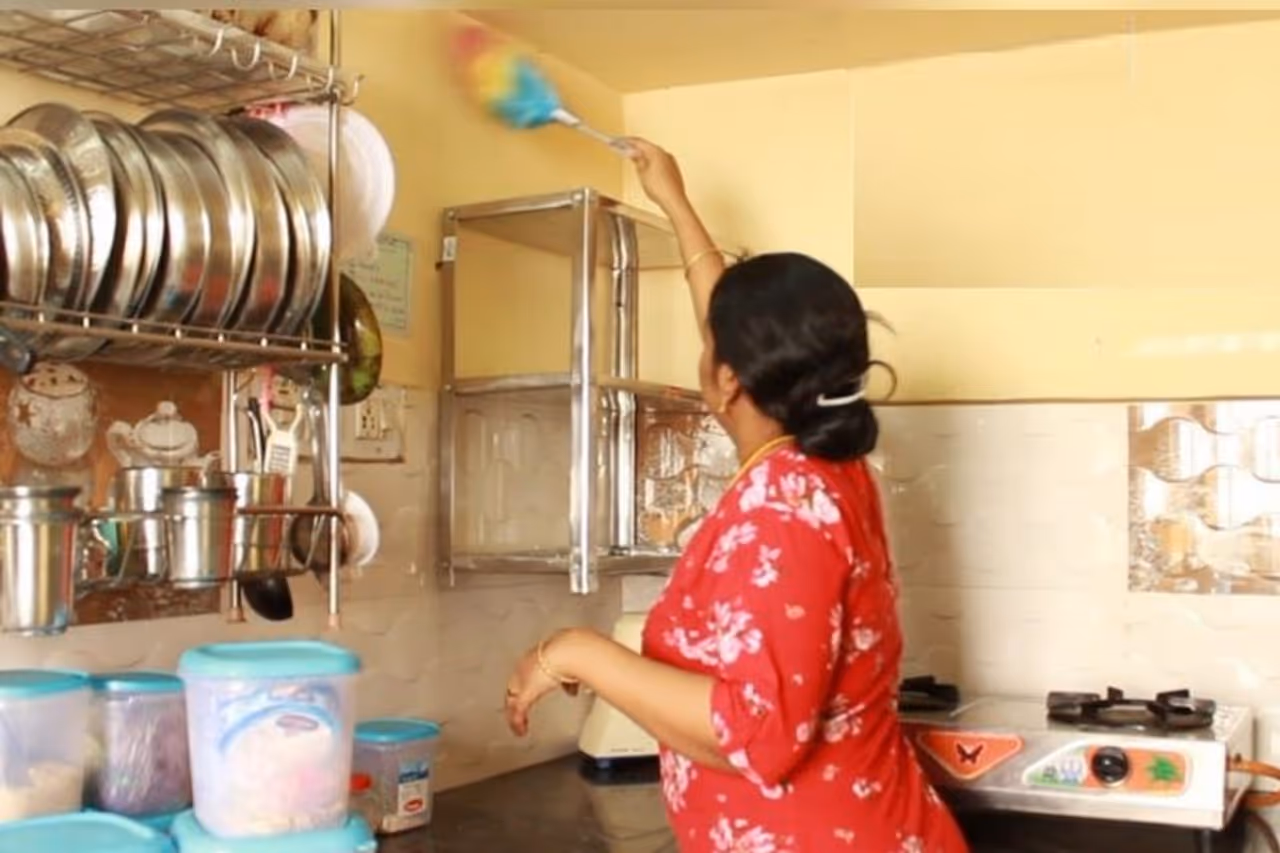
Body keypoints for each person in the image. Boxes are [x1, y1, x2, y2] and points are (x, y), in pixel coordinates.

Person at [504, 138, 968, 853]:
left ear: (728, 380)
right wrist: (675, 201)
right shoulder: (825, 459)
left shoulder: (784, 511)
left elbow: (759, 735)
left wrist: (578, 652)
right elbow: (731, 332)